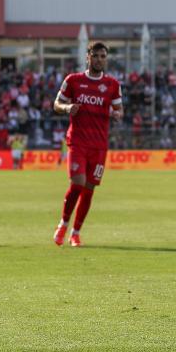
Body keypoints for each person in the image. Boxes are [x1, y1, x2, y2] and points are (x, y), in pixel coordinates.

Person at [52, 42, 123, 247]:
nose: (100, 59)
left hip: (99, 145)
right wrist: (67, 108)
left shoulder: (112, 84)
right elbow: (56, 104)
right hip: (77, 141)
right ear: (88, 57)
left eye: (103, 56)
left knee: (89, 188)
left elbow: (119, 110)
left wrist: (116, 114)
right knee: (77, 183)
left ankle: (76, 232)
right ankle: (63, 224)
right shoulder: (73, 80)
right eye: (96, 55)